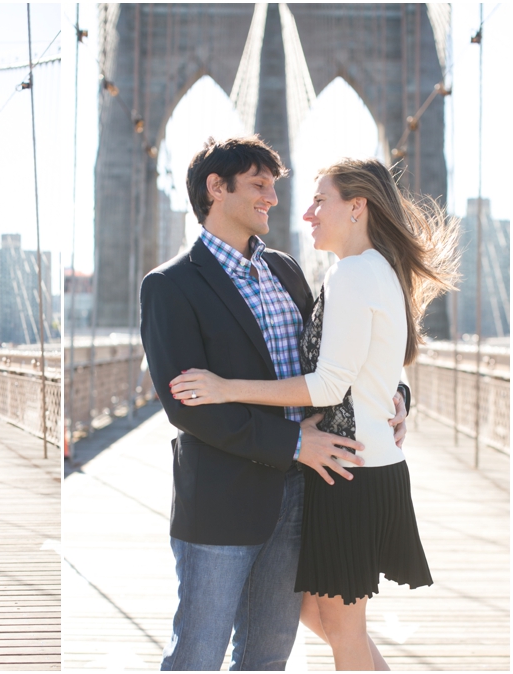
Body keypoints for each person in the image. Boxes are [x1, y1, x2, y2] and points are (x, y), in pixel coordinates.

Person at [168, 157, 458, 670]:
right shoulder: (367, 271)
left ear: (357, 206)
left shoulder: (338, 272)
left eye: (319, 199)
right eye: (260, 185)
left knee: (338, 632)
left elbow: (329, 381)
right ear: (217, 189)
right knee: (324, 622)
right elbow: (363, 355)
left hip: (346, 470)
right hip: (321, 474)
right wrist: (392, 394)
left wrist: (225, 387)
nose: (299, 209)